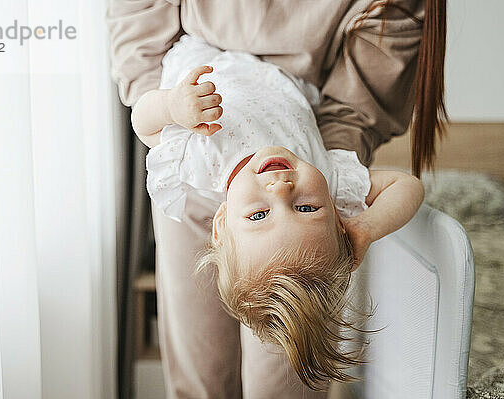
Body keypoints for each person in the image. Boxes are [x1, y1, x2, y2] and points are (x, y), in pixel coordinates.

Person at [107, 0, 446, 397]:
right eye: (305, 208)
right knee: (201, 368)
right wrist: (361, 230)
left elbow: (145, 123)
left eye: (260, 214)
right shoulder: (328, 173)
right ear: (334, 216)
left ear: (223, 224)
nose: (281, 189)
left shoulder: (197, 158)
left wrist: (169, 107)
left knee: (285, 365)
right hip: (198, 180)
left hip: (199, 132)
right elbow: (408, 187)